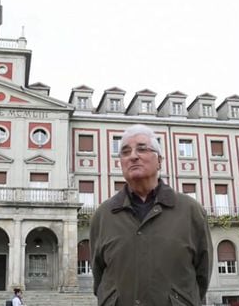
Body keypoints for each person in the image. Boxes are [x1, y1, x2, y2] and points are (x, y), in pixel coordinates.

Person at [90, 124, 213, 306]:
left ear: (159, 160)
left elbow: (202, 276)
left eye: (142, 148)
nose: (133, 156)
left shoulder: (190, 211)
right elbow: (99, 275)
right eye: (125, 152)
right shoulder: (104, 215)